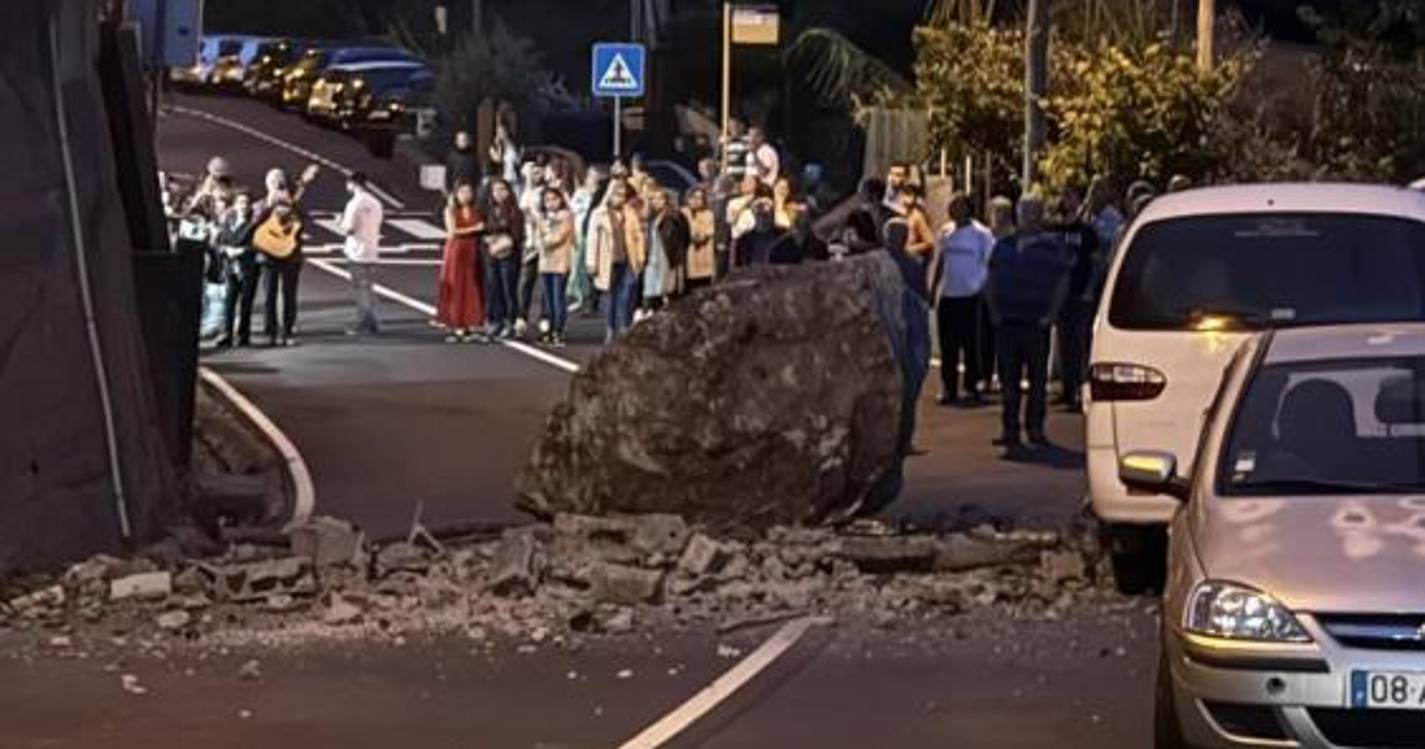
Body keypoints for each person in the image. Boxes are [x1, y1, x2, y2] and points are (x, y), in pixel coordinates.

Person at [984, 193, 1073, 451]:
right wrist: (994, 311)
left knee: (1036, 382)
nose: (1027, 217)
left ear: (1041, 214)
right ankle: (1009, 430)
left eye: (1033, 212)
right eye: (1024, 212)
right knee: (1009, 382)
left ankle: (1035, 429)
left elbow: (1062, 281)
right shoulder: (1004, 244)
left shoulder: (1053, 246)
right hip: (1007, 322)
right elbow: (990, 276)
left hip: (1036, 322)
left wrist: (1052, 314)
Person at [930, 192, 995, 405]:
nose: (952, 210)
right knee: (948, 346)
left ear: (967, 208)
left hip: (971, 296)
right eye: (951, 206)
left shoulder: (981, 234)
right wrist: (933, 289)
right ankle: (949, 388)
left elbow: (990, 263)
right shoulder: (946, 232)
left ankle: (971, 387)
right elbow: (940, 261)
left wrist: (984, 290)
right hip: (949, 295)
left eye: (957, 206)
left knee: (970, 345)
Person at [1049, 187, 1101, 411]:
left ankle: (1081, 391)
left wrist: (1090, 288)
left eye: (1071, 196)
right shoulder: (1054, 229)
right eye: (1065, 196)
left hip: (1081, 293)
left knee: (1080, 344)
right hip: (1060, 294)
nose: (1067, 200)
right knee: (1064, 343)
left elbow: (1096, 262)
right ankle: (1067, 389)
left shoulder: (1087, 232)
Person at [253, 165, 317, 346]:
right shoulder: (260, 205)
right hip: (268, 255)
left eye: (280, 181)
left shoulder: (293, 204)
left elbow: (304, 222)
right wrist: (268, 205)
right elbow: (254, 224)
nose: (277, 185)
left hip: (291, 256)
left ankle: (288, 329)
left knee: (290, 294)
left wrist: (292, 204)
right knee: (269, 294)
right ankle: (270, 330)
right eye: (273, 182)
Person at [586, 179, 646, 341]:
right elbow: (592, 239)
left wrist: (641, 256)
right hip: (608, 260)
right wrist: (591, 262)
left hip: (628, 259)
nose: (621, 198)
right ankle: (611, 328)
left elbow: (638, 236)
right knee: (611, 296)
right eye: (617, 195)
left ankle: (624, 326)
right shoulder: (599, 214)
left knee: (627, 295)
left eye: (623, 195)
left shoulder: (630, 213)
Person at [436, 180, 486, 342]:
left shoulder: (474, 209)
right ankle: (455, 322)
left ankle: (469, 322)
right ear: (456, 194)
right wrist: (475, 228)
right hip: (456, 250)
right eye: (463, 192)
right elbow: (452, 232)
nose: (466, 195)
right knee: (456, 285)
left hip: (471, 249)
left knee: (470, 285)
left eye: (469, 192)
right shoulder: (450, 209)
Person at [339, 172, 385, 337]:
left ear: (352, 184)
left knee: (360, 289)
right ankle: (371, 321)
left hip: (357, 250)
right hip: (372, 248)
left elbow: (349, 229)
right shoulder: (376, 202)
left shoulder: (354, 204)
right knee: (369, 288)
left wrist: (339, 223)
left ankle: (364, 322)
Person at [215, 192, 258, 348]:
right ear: (234, 205)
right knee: (229, 302)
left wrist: (243, 251)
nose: (243, 206)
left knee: (246, 302)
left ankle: (243, 335)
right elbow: (218, 243)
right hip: (230, 267)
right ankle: (227, 333)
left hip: (247, 268)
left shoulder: (253, 225)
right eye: (240, 202)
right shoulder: (228, 222)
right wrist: (225, 250)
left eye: (246, 203)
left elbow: (257, 245)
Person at [482, 178, 524, 339]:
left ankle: (510, 321)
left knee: (509, 290)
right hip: (492, 255)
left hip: (509, 256)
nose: (498, 194)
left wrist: (502, 242)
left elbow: (517, 236)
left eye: (502, 190)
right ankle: (495, 320)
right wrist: (488, 240)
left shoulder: (514, 211)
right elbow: (484, 230)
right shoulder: (490, 210)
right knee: (494, 289)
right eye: (495, 190)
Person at [537, 187, 576, 347]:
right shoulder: (543, 217)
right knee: (548, 298)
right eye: (547, 200)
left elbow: (559, 237)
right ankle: (549, 329)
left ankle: (558, 331)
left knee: (558, 297)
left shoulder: (566, 216)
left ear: (560, 200)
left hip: (560, 261)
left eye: (554, 199)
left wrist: (545, 238)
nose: (550, 203)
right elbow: (538, 235)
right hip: (546, 262)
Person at [643, 187, 690, 312]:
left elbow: (685, 238)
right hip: (653, 260)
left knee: (668, 291)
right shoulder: (651, 218)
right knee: (652, 294)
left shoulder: (675, 217)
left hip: (668, 258)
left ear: (666, 200)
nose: (656, 201)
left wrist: (678, 259)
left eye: (659, 198)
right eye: (653, 199)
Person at [515, 161, 547, 338]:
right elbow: (522, 210)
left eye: (538, 172)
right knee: (526, 279)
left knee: (544, 280)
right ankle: (521, 316)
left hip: (545, 242)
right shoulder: (524, 192)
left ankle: (545, 316)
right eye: (532, 172)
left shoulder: (546, 192)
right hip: (529, 242)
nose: (536, 175)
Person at [569, 167, 606, 314]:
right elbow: (573, 211)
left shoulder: (602, 193)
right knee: (582, 269)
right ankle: (584, 298)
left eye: (596, 175)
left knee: (594, 268)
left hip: (596, 234)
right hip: (583, 232)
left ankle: (592, 301)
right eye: (591, 175)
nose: (594, 178)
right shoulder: (581, 192)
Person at [733, 198, 786, 267]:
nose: (762, 219)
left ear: (773, 214)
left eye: (765, 215)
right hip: (752, 275)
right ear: (753, 215)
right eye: (759, 214)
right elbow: (739, 267)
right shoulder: (744, 239)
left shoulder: (784, 237)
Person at [682, 186, 717, 290]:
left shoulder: (709, 214)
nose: (697, 201)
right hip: (688, 258)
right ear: (688, 198)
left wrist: (700, 235)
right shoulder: (683, 213)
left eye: (700, 198)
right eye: (694, 197)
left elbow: (708, 231)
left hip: (704, 258)